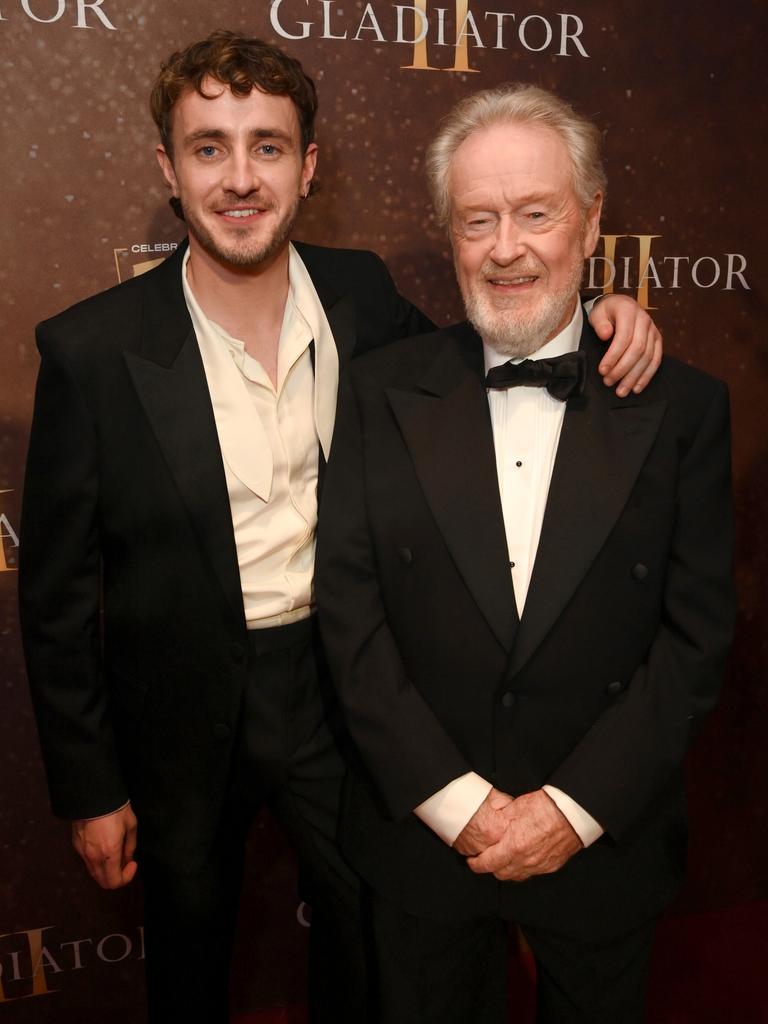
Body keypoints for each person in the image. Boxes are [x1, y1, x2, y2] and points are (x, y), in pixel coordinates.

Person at [19, 31, 661, 1024]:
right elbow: (55, 595)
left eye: (268, 146)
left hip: (341, 691)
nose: (241, 177)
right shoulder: (92, 352)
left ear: (308, 166)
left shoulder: (361, 297)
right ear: (169, 168)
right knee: (188, 957)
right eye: (209, 147)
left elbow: (480, 359)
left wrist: (602, 310)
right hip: (184, 717)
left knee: (368, 949)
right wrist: (89, 787)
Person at [316, 82, 735, 1024]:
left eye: (536, 213)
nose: (506, 247)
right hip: (425, 840)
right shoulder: (380, 391)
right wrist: (458, 802)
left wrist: (572, 810)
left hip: (602, 843)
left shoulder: (684, 408)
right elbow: (350, 615)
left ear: (591, 225)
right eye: (478, 219)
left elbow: (696, 637)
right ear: (449, 235)